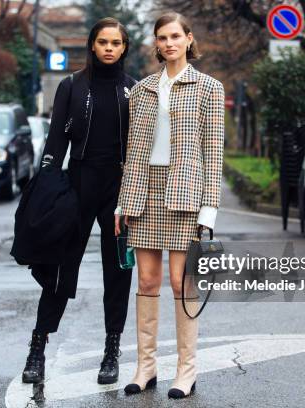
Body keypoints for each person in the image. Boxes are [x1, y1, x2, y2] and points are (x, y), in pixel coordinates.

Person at [114, 12, 224, 399]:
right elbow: (132, 153)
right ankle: (146, 367)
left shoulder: (209, 88)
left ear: (189, 39)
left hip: (186, 194)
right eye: (162, 37)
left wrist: (208, 210)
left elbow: (213, 153)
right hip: (144, 192)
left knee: (181, 283)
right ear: (156, 44)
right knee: (146, 281)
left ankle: (186, 370)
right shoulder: (142, 89)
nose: (168, 43)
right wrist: (121, 205)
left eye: (175, 36)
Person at [22, 17, 137, 385]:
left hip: (118, 190)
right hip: (79, 184)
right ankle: (37, 348)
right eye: (103, 41)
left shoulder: (134, 90)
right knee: (59, 266)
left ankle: (111, 351)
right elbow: (55, 142)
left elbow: (139, 148)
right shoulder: (71, 86)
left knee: (118, 272)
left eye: (116, 43)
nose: (109, 48)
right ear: (92, 45)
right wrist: (46, 186)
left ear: (124, 48)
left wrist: (135, 197)